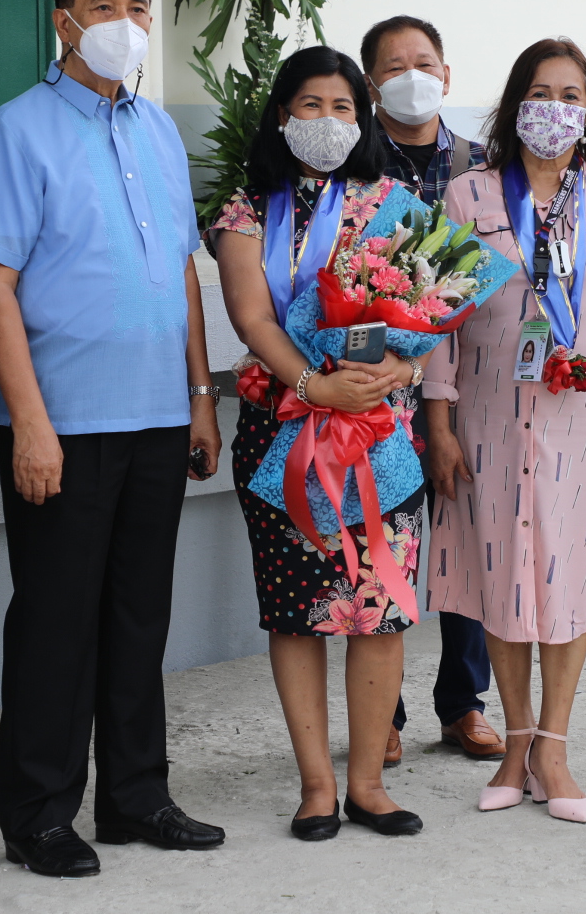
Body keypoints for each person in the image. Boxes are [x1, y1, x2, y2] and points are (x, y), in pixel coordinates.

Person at [0, 0, 225, 878]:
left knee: (136, 616)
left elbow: (184, 278)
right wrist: (28, 422)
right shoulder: (15, 131)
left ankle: (135, 795)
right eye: (104, 4)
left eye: (140, 6)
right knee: (55, 623)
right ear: (64, 19)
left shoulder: (155, 130)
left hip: (157, 416)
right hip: (63, 424)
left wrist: (200, 399)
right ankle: (37, 813)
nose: (125, 23)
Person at [423, 37, 586, 825]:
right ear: (513, 102)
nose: (554, 107)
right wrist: (441, 425)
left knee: (565, 578)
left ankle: (553, 745)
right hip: (489, 420)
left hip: (585, 423)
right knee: (502, 577)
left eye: (570, 93)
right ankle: (517, 741)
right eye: (539, 91)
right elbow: (439, 324)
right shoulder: (469, 197)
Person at [212, 46, 425, 841]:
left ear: (361, 117)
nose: (327, 122)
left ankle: (369, 783)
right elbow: (252, 317)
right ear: (281, 116)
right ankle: (316, 787)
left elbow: (433, 306)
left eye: (342, 107)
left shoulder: (395, 203)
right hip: (284, 435)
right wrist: (313, 386)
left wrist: (400, 366)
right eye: (310, 106)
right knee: (298, 613)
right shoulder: (246, 210)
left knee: (379, 609)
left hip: (378, 437)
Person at [358, 14, 502, 765]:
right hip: (380, 388)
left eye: (424, 62)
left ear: (446, 74)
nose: (412, 75)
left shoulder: (487, 165)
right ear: (371, 81)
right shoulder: (353, 167)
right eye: (393, 65)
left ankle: (464, 702)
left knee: (467, 540)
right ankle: (385, 711)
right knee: (388, 546)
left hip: (470, 383)